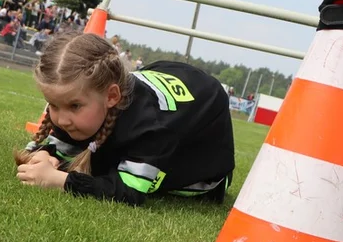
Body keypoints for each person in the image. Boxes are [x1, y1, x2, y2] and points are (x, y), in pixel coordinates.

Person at [14, 32, 235, 206]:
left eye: (74, 106)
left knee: (109, 167)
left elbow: (129, 192)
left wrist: (59, 181)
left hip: (203, 162)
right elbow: (61, 148)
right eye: (53, 105)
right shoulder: (80, 106)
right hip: (165, 74)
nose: (62, 120)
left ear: (112, 96)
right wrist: (46, 155)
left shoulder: (150, 126)